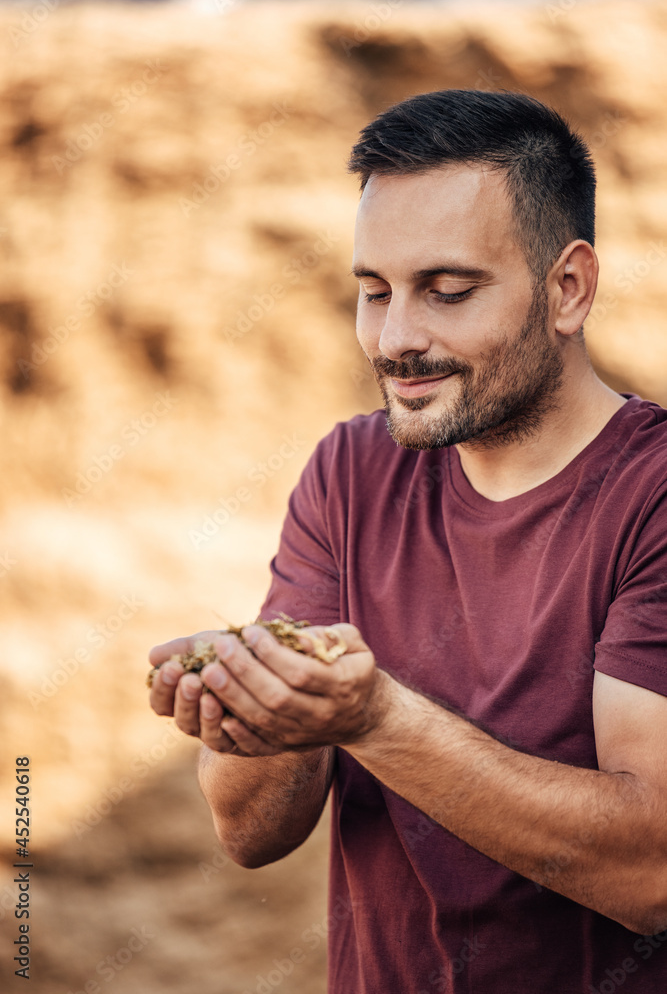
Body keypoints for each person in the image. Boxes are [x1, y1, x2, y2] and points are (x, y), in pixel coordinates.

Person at [149, 90, 667, 993]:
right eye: (373, 291)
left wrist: (374, 719)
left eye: (447, 291)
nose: (394, 340)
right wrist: (254, 711)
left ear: (567, 289)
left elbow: (653, 873)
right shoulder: (350, 470)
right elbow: (249, 835)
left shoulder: (651, 496)